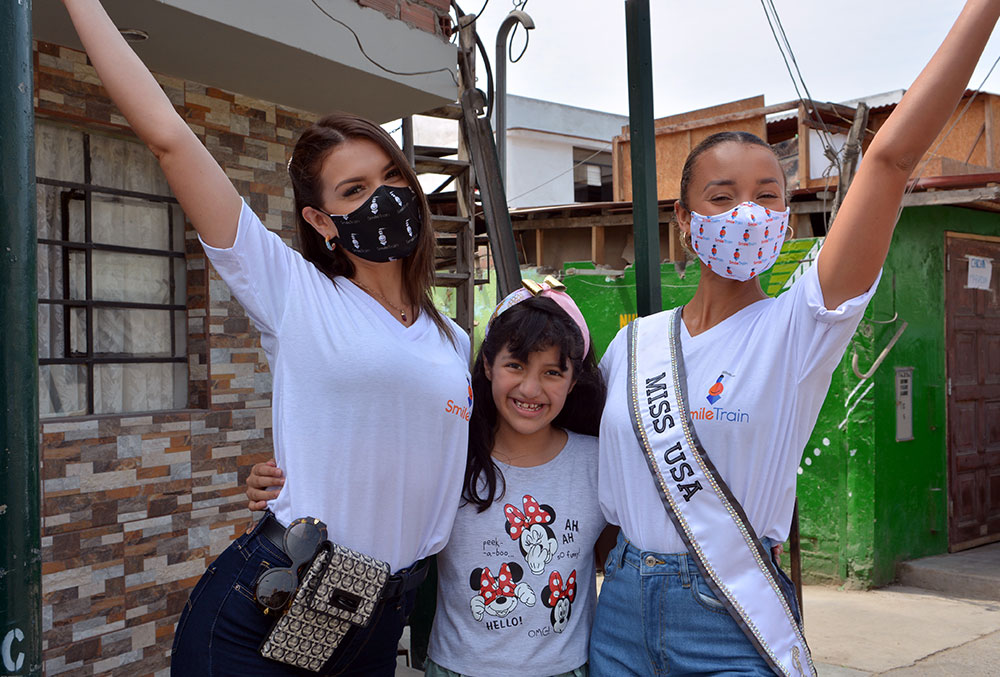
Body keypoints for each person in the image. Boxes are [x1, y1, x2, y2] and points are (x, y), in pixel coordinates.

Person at [59, 1, 472, 675]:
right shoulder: (296, 291)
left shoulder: (453, 340)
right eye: (356, 189)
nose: (387, 196)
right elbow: (168, 137)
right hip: (278, 599)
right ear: (322, 219)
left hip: (374, 613)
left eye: (394, 177)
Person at [590, 2, 1000, 675]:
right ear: (686, 223)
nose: (747, 212)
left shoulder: (799, 326)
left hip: (729, 615)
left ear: (787, 215)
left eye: (768, 195)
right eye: (722, 197)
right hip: (621, 610)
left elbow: (891, 159)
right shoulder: (633, 347)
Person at [249, 282, 609, 676]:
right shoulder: (449, 455)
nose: (530, 388)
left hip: (568, 668)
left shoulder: (598, 462)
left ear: (574, 381)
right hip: (457, 669)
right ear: (487, 364)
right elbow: (364, 492)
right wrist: (287, 486)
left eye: (553, 372)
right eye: (516, 365)